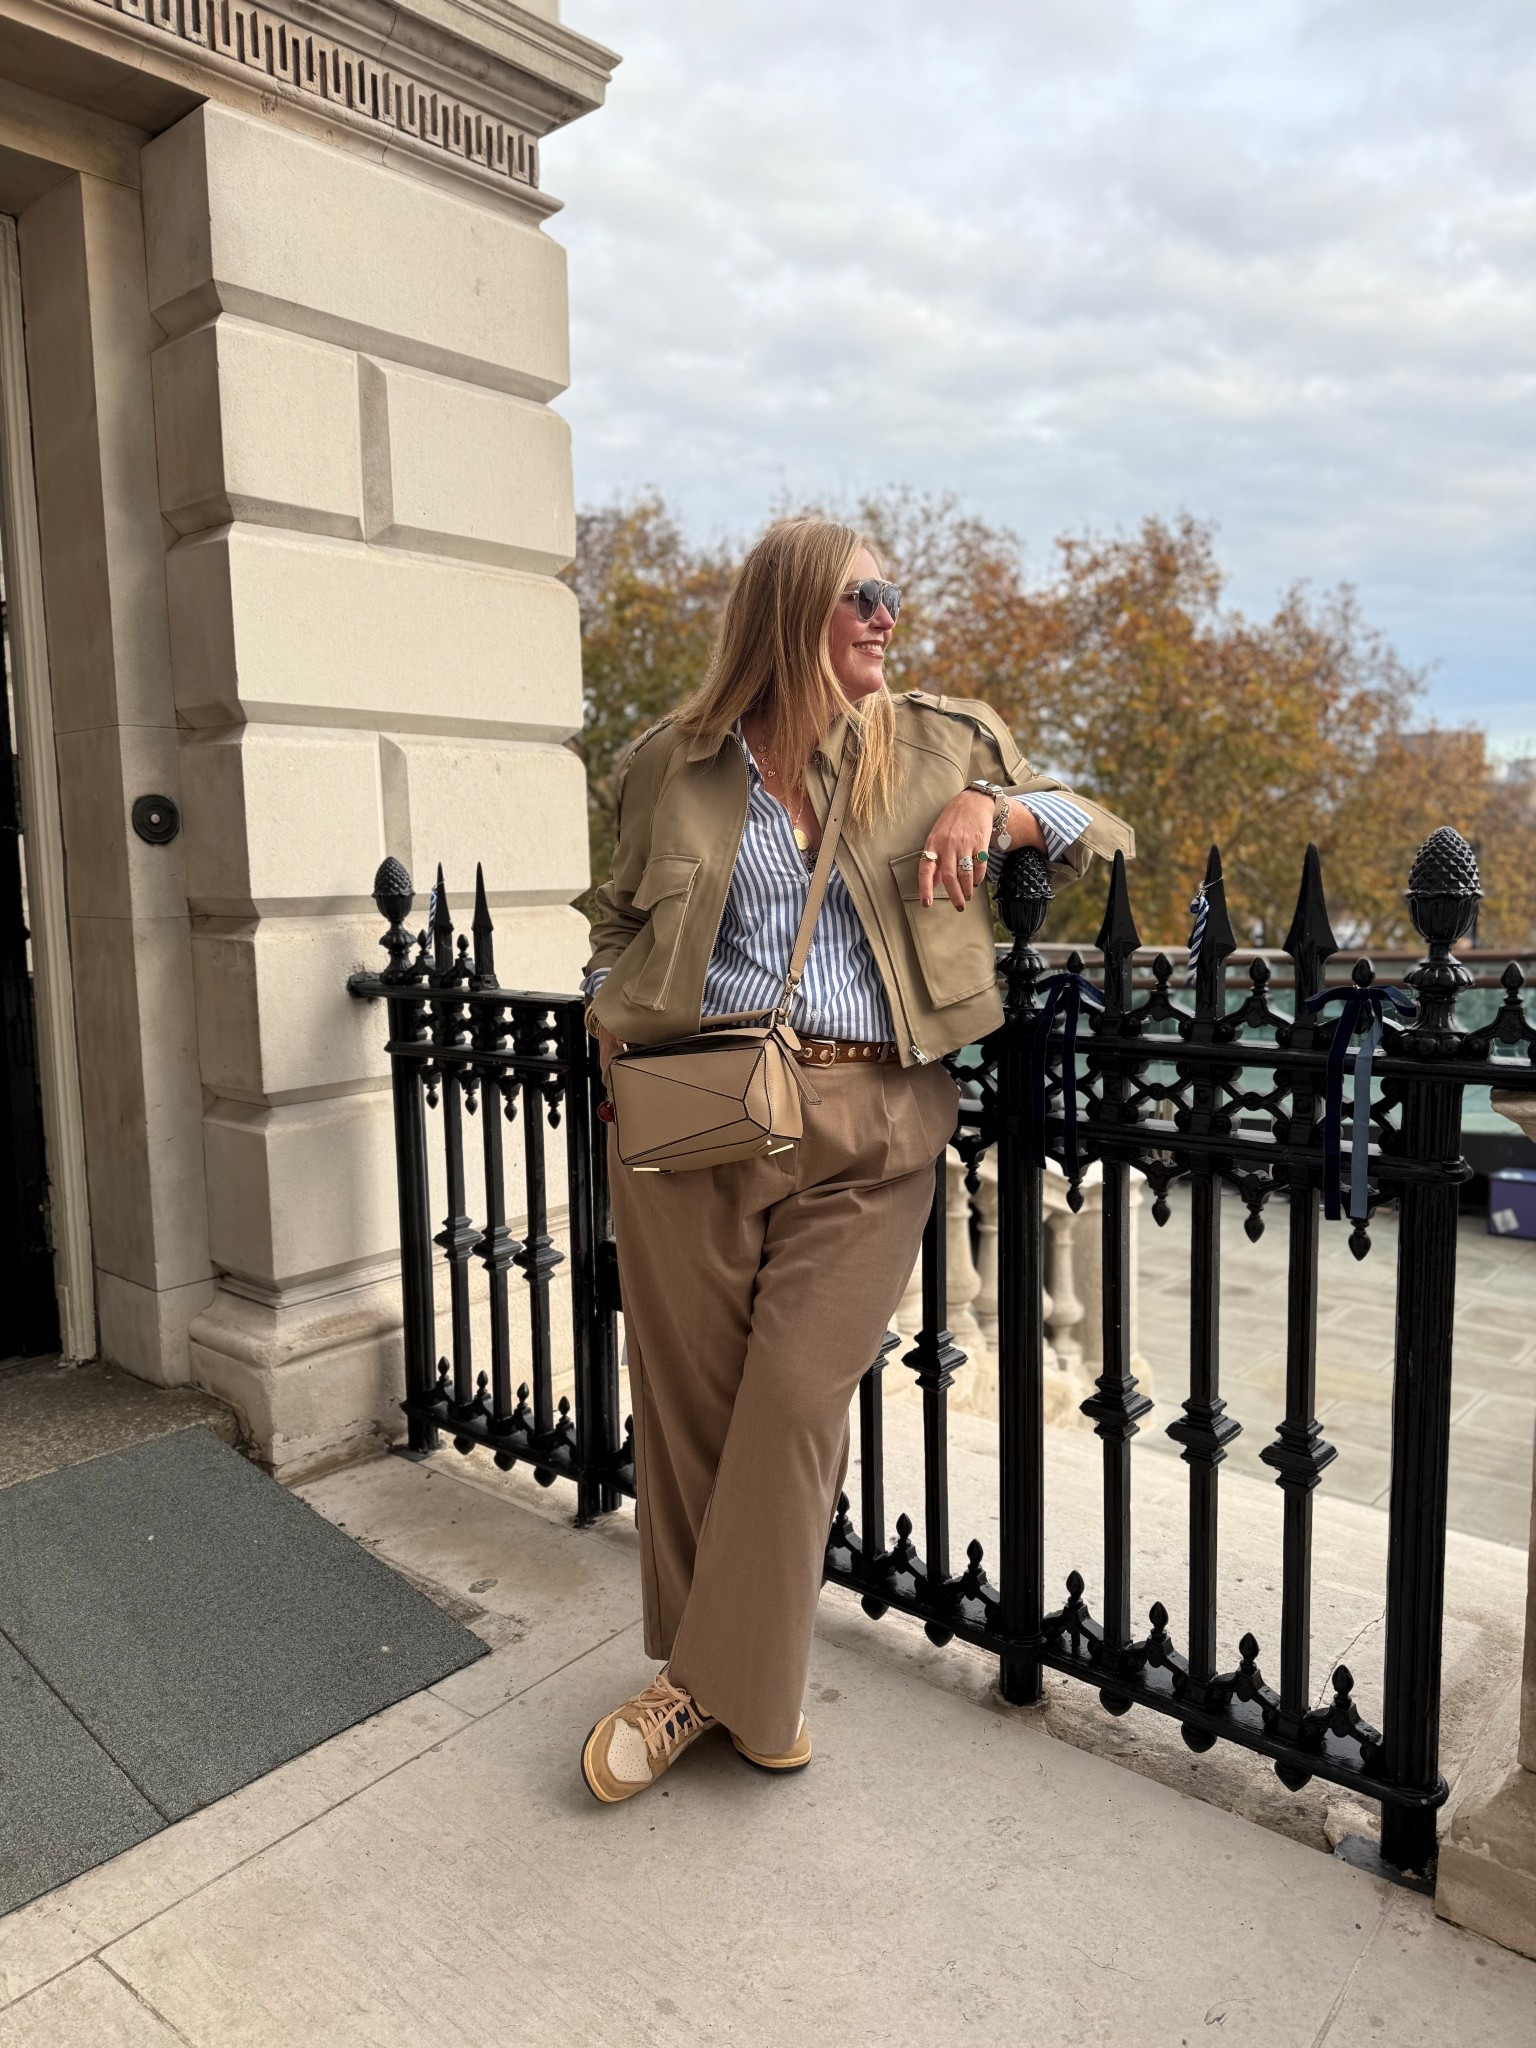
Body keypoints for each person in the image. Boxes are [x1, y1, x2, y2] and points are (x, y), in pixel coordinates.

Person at [578, 516, 1133, 1802]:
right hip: (695, 1107)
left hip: (874, 1114)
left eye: (891, 596)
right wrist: (610, 1025)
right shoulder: (670, 761)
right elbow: (612, 918)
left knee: (791, 1401)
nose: (887, 615)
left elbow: (1094, 821)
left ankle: (693, 1690)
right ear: (787, 613)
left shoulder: (942, 741)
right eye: (861, 597)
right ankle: (741, 1694)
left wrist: (999, 810)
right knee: (692, 1412)